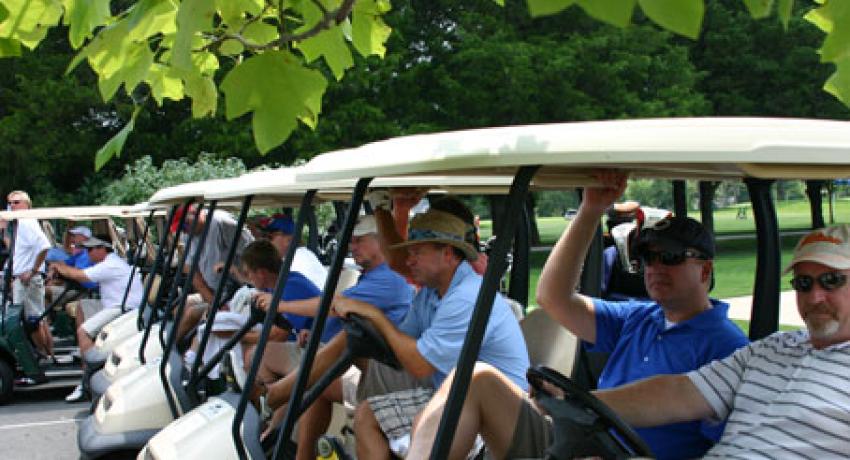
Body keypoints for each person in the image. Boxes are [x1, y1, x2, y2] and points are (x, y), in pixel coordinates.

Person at [407, 172, 749, 460]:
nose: (655, 268)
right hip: (577, 440)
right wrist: (590, 210)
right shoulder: (640, 318)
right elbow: (553, 298)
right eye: (647, 257)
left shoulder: (728, 348)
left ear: (704, 271)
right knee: (475, 377)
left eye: (670, 257)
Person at [266, 209, 529, 459]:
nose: (409, 261)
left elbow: (419, 364)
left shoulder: (465, 298)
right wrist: (369, 327)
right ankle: (285, 412)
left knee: (381, 412)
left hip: (490, 416)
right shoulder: (431, 292)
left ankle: (277, 397)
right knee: (367, 405)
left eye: (417, 253)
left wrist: (374, 315)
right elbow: (400, 344)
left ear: (448, 254)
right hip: (445, 389)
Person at [254, 215, 412, 459]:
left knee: (324, 373)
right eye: (352, 241)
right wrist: (313, 329)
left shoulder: (388, 278)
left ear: (380, 242)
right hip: (377, 363)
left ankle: (277, 400)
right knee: (316, 378)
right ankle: (290, 440)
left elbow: (335, 305)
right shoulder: (373, 276)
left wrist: (281, 305)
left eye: (359, 241)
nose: (352, 247)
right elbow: (345, 312)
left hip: (394, 370)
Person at [52, 236, 145, 402]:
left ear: (103, 249)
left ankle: (87, 377)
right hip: (112, 304)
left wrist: (59, 265)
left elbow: (81, 275)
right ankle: (87, 353)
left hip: (123, 309)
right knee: (82, 305)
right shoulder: (108, 264)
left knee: (84, 331)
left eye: (90, 250)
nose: (88, 254)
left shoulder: (110, 265)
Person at [178, 205, 254, 340]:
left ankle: (178, 350)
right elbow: (192, 273)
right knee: (183, 304)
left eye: (185, 225)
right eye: (181, 228)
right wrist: (214, 302)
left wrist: (237, 273)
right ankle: (172, 351)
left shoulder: (222, 223)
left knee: (193, 314)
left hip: (236, 293)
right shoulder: (187, 235)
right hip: (216, 293)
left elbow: (253, 255)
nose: (185, 231)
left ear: (196, 214)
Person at [1, 191, 53, 365]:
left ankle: (41, 356)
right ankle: (48, 354)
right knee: (38, 318)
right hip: (22, 278)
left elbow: (44, 246)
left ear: (26, 204)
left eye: (16, 202)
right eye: (10, 203)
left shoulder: (27, 222)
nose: (12, 206)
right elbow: (18, 251)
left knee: (32, 321)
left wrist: (32, 270)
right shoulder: (19, 223)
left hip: (27, 280)